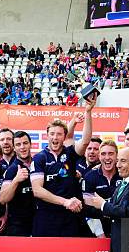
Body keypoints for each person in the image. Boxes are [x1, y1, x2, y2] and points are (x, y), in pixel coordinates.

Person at [30, 94, 95, 236]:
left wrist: (88, 112)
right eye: (52, 133)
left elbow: (85, 141)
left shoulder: (70, 153)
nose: (55, 137)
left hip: (69, 218)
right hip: (46, 218)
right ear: (47, 135)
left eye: (59, 134)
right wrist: (65, 202)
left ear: (64, 137)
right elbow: (37, 191)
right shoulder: (39, 158)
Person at [82, 140, 121, 237]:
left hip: (121, 228)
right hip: (98, 232)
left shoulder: (124, 175)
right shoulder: (90, 177)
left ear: (117, 156)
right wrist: (100, 234)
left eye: (111, 154)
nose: (107, 157)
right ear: (99, 156)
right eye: (103, 154)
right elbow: (88, 210)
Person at [0, 131, 35, 236]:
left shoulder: (38, 164)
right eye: (18, 144)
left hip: (38, 222)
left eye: (25, 143)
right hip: (18, 226)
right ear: (14, 148)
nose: (22, 147)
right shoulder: (12, 169)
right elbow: (3, 199)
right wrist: (16, 180)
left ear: (31, 144)